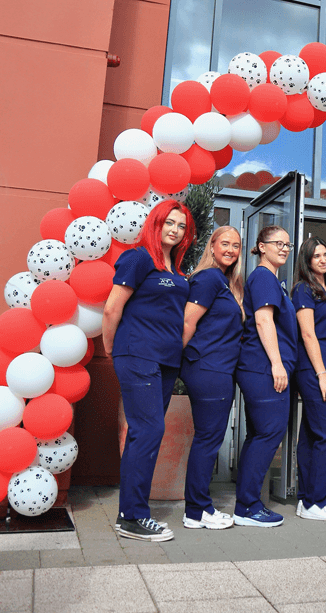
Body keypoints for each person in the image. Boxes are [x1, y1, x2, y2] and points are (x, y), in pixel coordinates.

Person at [102, 200, 195, 542]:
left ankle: (130, 513)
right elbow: (113, 308)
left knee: (147, 434)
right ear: (155, 224)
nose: (175, 229)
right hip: (138, 353)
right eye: (169, 222)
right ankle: (133, 517)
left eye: (181, 225)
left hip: (166, 360)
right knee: (149, 430)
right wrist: (112, 348)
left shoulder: (175, 267)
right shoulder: (139, 257)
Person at [180, 226, 244, 530]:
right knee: (208, 440)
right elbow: (188, 322)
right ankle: (197, 510)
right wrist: (175, 362)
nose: (231, 250)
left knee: (208, 438)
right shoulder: (208, 278)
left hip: (216, 368)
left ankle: (198, 507)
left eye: (236, 245)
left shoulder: (222, 280)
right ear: (213, 245)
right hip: (208, 368)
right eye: (225, 244)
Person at [234, 225, 297, 527]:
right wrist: (277, 364)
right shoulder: (263, 277)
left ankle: (246, 504)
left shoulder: (272, 279)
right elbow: (262, 320)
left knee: (259, 434)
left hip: (260, 367)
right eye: (277, 243)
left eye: (288, 244)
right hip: (263, 368)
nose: (284, 248)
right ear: (261, 246)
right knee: (269, 433)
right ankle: (247, 506)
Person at [291, 237, 326, 522]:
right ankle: (315, 501)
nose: (323, 259)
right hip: (315, 370)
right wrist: (322, 375)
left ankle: (307, 500)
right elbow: (308, 334)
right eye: (316, 256)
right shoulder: (303, 289)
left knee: (313, 435)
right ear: (307, 260)